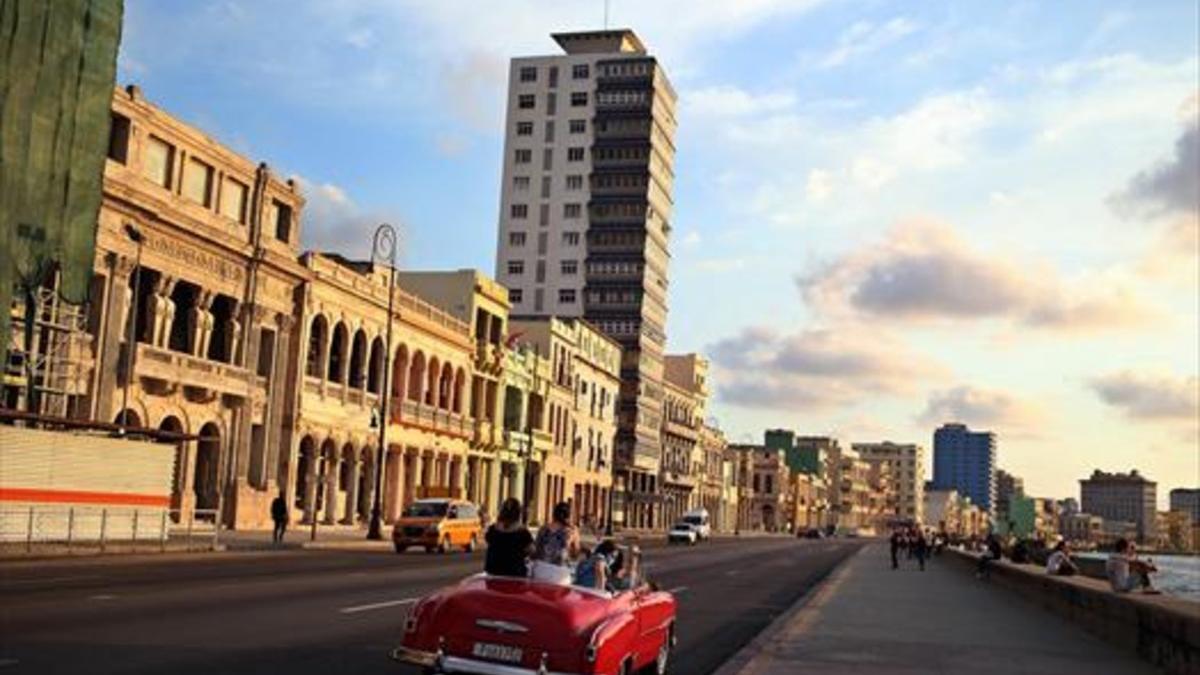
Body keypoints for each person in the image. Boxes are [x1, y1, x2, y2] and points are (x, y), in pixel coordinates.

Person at [531, 501, 581, 584]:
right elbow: (575, 555)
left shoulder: (543, 529)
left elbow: (535, 551)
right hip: (560, 573)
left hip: (540, 570)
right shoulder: (572, 530)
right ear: (568, 515)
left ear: (554, 514)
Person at [484, 498, 534, 578]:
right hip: (515, 577)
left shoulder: (492, 529)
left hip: (493, 575)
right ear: (518, 514)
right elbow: (532, 551)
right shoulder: (522, 533)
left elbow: (487, 540)